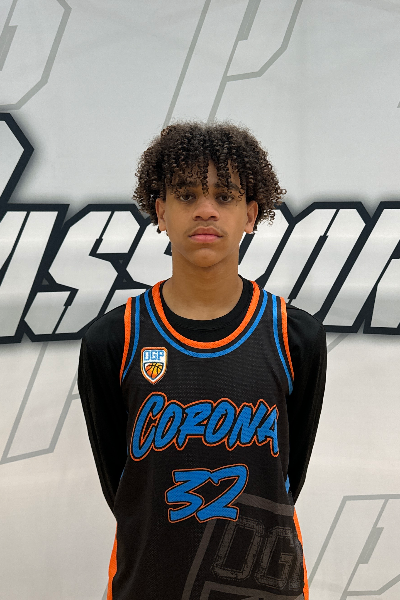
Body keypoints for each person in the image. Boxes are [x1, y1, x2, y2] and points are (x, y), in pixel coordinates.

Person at [78, 121, 326, 600]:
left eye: (225, 196)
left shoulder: (295, 337)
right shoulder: (113, 341)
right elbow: (124, 487)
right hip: (147, 585)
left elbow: (285, 478)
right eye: (187, 195)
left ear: (251, 214)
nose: (206, 210)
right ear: (161, 212)